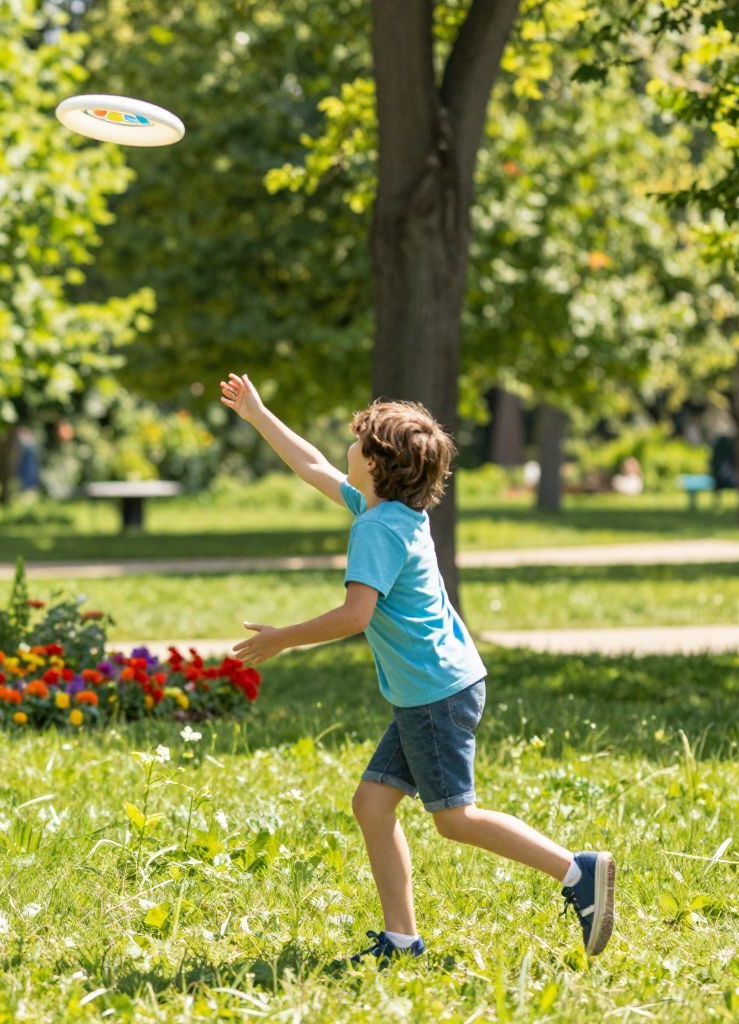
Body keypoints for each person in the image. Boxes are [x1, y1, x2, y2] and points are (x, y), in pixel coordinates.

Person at [218, 373, 615, 963]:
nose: (347, 450)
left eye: (359, 443)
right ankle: (402, 940)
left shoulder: (377, 528)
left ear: (378, 465)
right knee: (372, 805)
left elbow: (357, 614)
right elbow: (312, 467)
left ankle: (575, 871)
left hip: (434, 692)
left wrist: (284, 640)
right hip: (437, 685)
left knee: (456, 818)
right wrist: (258, 414)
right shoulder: (391, 511)